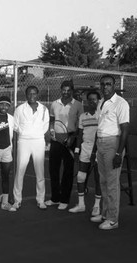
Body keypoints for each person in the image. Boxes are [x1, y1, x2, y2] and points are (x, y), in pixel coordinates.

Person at [90, 74, 130, 230]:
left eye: (108, 84)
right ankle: (105, 214)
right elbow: (99, 128)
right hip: (100, 143)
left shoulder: (121, 103)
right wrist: (94, 150)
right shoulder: (101, 102)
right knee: (103, 181)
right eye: (102, 84)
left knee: (112, 183)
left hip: (113, 143)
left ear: (114, 86)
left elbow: (126, 129)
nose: (105, 87)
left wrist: (119, 153)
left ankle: (113, 219)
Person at [45, 80, 83, 210]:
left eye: (68, 90)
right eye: (64, 90)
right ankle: (55, 198)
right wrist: (51, 131)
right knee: (53, 170)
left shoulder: (78, 105)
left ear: (72, 91)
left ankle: (64, 200)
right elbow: (52, 120)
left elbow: (80, 124)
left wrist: (73, 137)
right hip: (56, 140)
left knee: (68, 171)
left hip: (70, 141)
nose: (66, 92)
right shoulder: (54, 104)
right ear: (60, 90)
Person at [13, 86, 50, 210]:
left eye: (34, 93)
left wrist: (36, 134)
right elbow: (16, 126)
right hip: (23, 142)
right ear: (26, 95)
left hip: (39, 142)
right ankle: (17, 200)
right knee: (20, 171)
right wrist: (25, 133)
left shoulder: (44, 109)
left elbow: (45, 126)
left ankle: (41, 200)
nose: (32, 96)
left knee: (40, 172)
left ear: (37, 94)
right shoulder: (19, 109)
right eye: (29, 94)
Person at [69, 91, 102, 215]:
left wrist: (94, 152)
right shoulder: (83, 116)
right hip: (85, 149)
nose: (92, 101)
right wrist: (77, 151)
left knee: (98, 179)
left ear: (98, 101)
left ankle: (97, 206)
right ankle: (81, 204)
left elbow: (100, 135)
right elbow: (79, 135)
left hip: (98, 149)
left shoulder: (101, 115)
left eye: (94, 99)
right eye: (89, 100)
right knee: (80, 177)